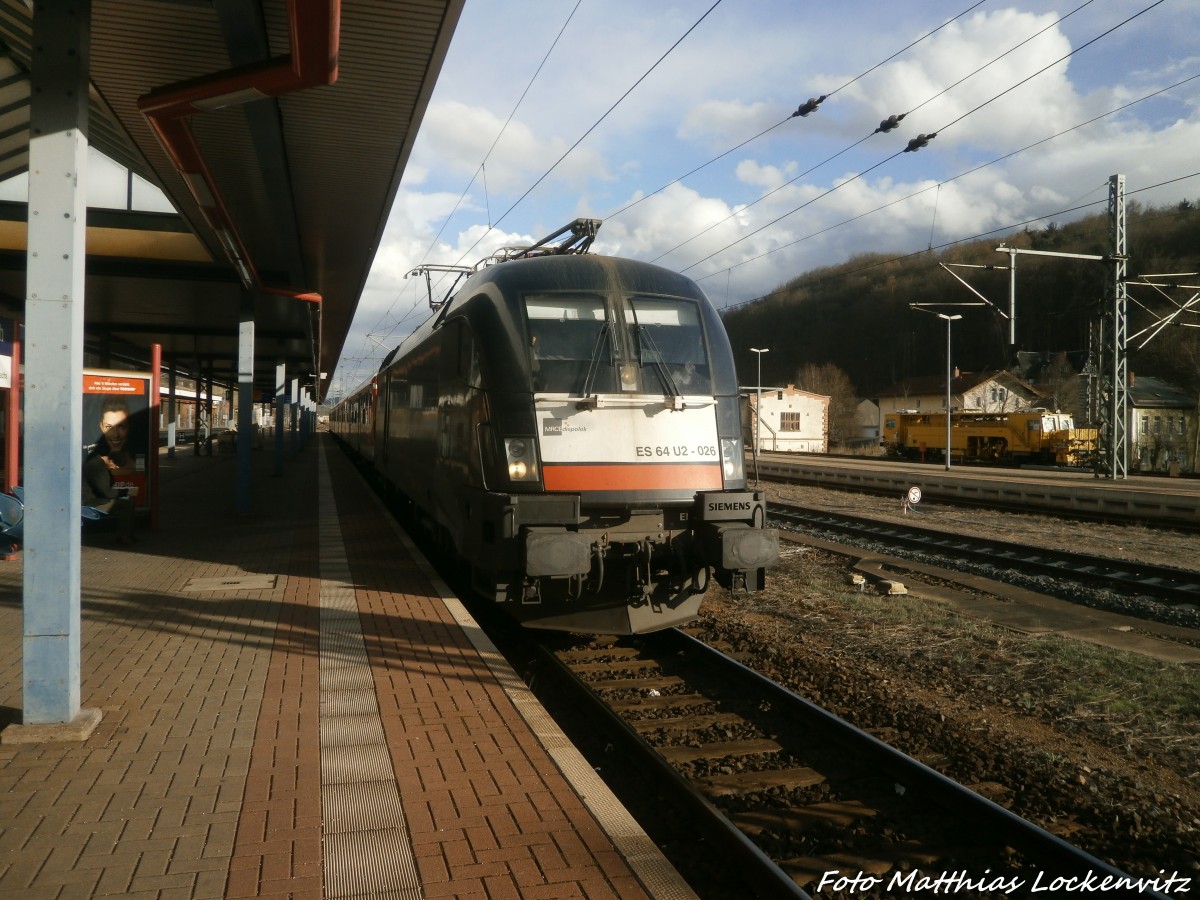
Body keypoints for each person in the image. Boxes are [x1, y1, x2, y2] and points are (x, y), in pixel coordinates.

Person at [82, 398, 138, 544]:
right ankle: (124, 537)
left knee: (127, 502)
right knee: (125, 504)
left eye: (121, 427)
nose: (116, 435)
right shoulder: (96, 466)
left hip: (93, 500)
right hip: (89, 503)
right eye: (109, 427)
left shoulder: (98, 463)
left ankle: (128, 535)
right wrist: (126, 491)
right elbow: (106, 492)